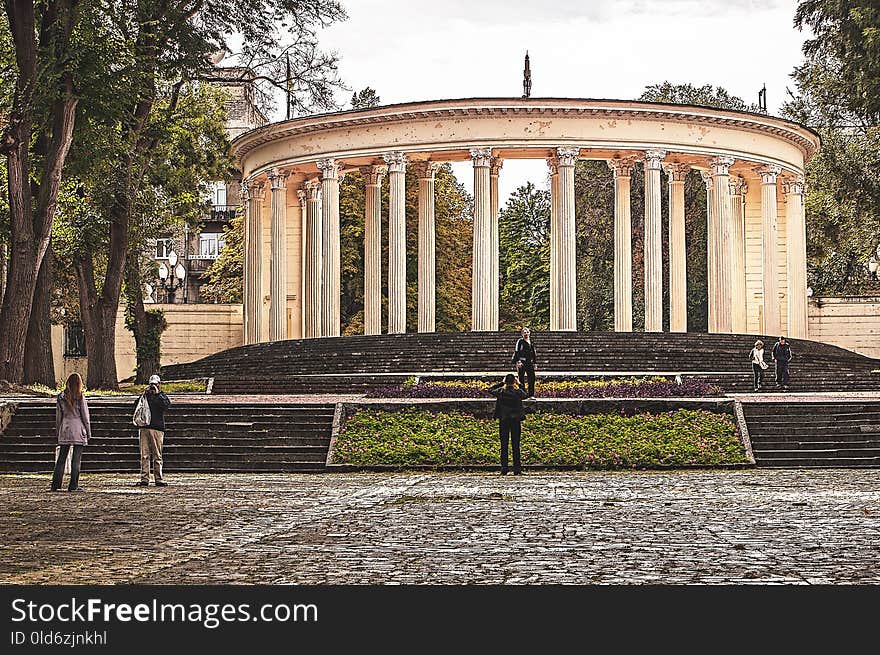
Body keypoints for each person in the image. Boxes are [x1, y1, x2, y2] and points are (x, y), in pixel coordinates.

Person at [51, 372, 91, 492]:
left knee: (62, 458)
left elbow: (58, 417)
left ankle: (56, 484)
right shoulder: (79, 396)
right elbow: (85, 416)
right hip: (78, 428)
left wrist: (58, 431)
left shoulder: (61, 397)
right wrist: (88, 431)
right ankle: (73, 484)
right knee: (76, 459)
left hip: (65, 427)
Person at [487, 374, 529, 475]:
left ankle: (504, 468)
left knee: (504, 444)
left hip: (504, 420)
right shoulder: (517, 392)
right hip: (515, 420)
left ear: (506, 381)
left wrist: (502, 383)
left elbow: (490, 389)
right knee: (516, 444)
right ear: (514, 382)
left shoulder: (501, 391)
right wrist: (519, 384)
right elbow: (526, 394)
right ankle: (517, 469)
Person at [136, 374, 171, 487]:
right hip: (144, 427)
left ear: (159, 385)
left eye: (155, 384)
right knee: (144, 455)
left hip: (157, 428)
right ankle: (144, 478)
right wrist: (143, 395)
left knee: (157, 455)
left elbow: (166, 406)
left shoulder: (162, 396)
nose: (153, 387)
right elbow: (136, 406)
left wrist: (158, 394)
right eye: (151, 385)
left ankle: (158, 478)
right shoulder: (145, 396)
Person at [511, 327, 538, 397]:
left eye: (527, 332)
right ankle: (522, 394)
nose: (526, 334)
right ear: (522, 334)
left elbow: (534, 353)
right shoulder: (520, 341)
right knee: (521, 379)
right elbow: (517, 351)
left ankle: (531, 394)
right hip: (522, 362)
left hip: (529, 362)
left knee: (532, 378)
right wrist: (518, 361)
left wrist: (535, 363)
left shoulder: (531, 341)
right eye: (524, 332)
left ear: (529, 333)